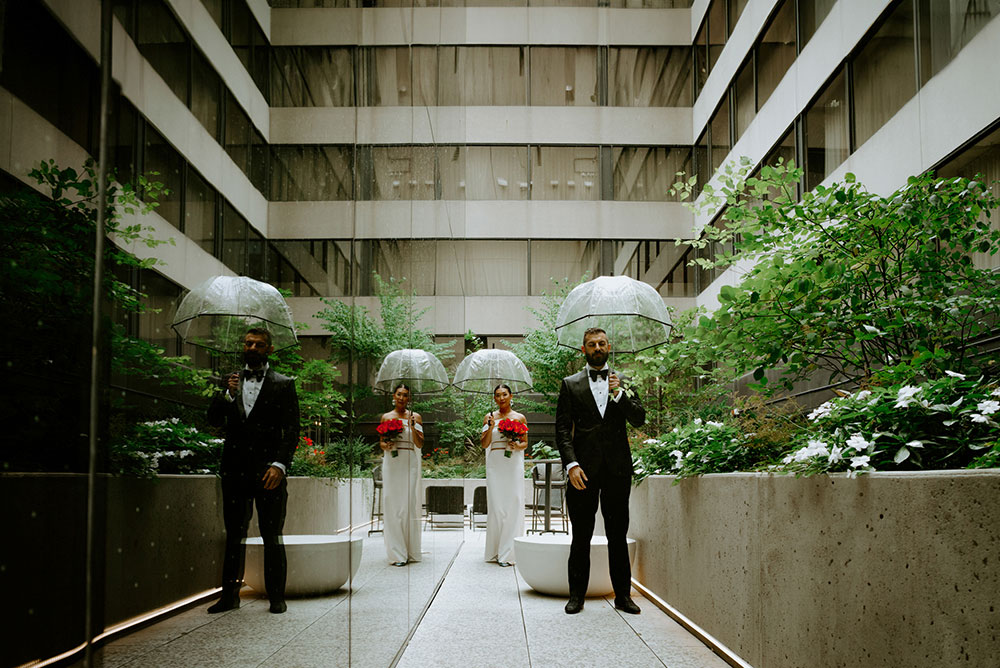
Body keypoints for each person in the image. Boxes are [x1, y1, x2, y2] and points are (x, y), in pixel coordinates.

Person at [206, 328, 300, 614]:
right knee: (234, 534)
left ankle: (276, 597)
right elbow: (212, 421)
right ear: (243, 347)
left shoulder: (284, 384)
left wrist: (280, 465)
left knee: (272, 534)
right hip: (234, 472)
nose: (253, 347)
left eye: (259, 344)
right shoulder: (229, 383)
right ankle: (229, 596)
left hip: (269, 472)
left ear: (269, 349)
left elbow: (292, 430)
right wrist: (226, 394)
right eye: (248, 343)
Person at [555, 327, 645, 615]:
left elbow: (640, 419)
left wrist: (619, 394)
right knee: (581, 535)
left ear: (609, 347)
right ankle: (576, 596)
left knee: (617, 535)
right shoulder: (570, 384)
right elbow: (562, 430)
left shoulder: (625, 382)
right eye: (591, 344)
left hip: (617, 471)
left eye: (601, 343)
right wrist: (571, 464)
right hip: (582, 471)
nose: (597, 347)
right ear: (584, 350)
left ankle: (623, 596)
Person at [481, 383, 528, 567]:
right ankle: (494, 550)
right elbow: (484, 444)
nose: (501, 398)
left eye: (504, 394)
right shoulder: (489, 417)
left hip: (513, 463)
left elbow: (525, 442)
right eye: (498, 395)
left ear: (511, 396)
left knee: (513, 504)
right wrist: (490, 427)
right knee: (497, 506)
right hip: (495, 464)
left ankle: (509, 552)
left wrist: (517, 445)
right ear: (494, 398)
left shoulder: (519, 417)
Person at [379, 383, 424, 566]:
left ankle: (410, 549)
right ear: (394, 396)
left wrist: (413, 427)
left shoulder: (415, 417)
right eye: (399, 394)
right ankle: (397, 553)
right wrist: (386, 445)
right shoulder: (386, 417)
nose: (402, 398)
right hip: (392, 461)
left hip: (409, 462)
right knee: (392, 503)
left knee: (407, 504)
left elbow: (420, 444)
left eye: (405, 395)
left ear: (409, 398)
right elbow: (381, 442)